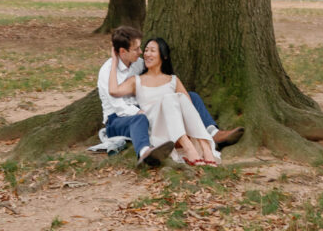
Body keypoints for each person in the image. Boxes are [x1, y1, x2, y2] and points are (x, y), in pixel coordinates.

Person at [97, 25, 243, 169]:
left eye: (147, 50)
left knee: (190, 97)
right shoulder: (108, 71)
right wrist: (139, 111)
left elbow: (154, 74)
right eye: (137, 49)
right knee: (141, 118)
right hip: (118, 118)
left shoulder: (139, 63)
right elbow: (117, 103)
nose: (142, 53)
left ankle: (212, 134)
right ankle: (145, 153)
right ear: (122, 51)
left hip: (149, 111)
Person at [110, 37, 218, 166]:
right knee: (169, 98)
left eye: (152, 50)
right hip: (154, 127)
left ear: (164, 56)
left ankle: (205, 147)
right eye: (146, 50)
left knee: (182, 99)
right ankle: (189, 147)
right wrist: (114, 61)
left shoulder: (173, 80)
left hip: (175, 126)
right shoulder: (136, 80)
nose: (147, 54)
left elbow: (190, 111)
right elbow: (114, 90)